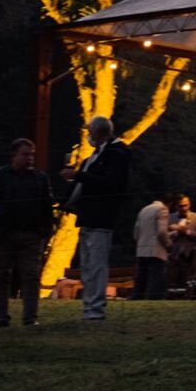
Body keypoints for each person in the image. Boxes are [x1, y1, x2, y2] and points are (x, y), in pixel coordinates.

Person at [61, 115, 130, 320]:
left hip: (102, 218)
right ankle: (89, 307)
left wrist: (78, 176)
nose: (88, 136)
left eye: (90, 132)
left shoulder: (117, 155)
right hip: (89, 217)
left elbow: (108, 184)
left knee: (97, 264)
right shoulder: (95, 156)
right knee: (88, 265)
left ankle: (95, 309)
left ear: (98, 133)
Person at [0, 138, 54, 327]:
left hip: (30, 234)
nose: (30, 158)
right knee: (1, 276)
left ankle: (30, 317)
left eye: (32, 154)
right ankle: (2, 317)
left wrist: (44, 229)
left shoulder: (39, 178)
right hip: (4, 234)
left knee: (30, 276)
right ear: (14, 155)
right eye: (26, 154)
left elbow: (46, 206)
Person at [132, 194, 171, 300]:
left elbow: (136, 232)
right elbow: (162, 232)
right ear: (168, 203)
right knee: (155, 279)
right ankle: (152, 299)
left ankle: (137, 298)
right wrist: (168, 244)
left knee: (141, 278)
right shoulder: (162, 209)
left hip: (141, 249)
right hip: (155, 250)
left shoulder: (144, 210)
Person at [165, 194, 196, 293]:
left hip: (191, 255)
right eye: (180, 206)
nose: (183, 208)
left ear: (189, 204)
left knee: (188, 281)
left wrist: (188, 232)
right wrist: (176, 232)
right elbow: (163, 235)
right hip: (173, 255)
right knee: (171, 280)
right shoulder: (169, 217)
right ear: (176, 206)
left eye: (185, 205)